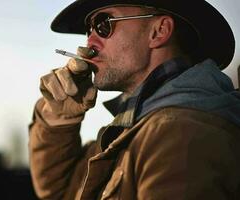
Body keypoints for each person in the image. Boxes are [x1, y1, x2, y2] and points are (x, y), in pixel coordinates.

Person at [28, 0, 240, 199]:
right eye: (88, 30)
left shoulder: (180, 133)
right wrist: (60, 118)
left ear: (159, 31)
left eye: (103, 24)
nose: (89, 42)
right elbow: (59, 190)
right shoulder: (134, 130)